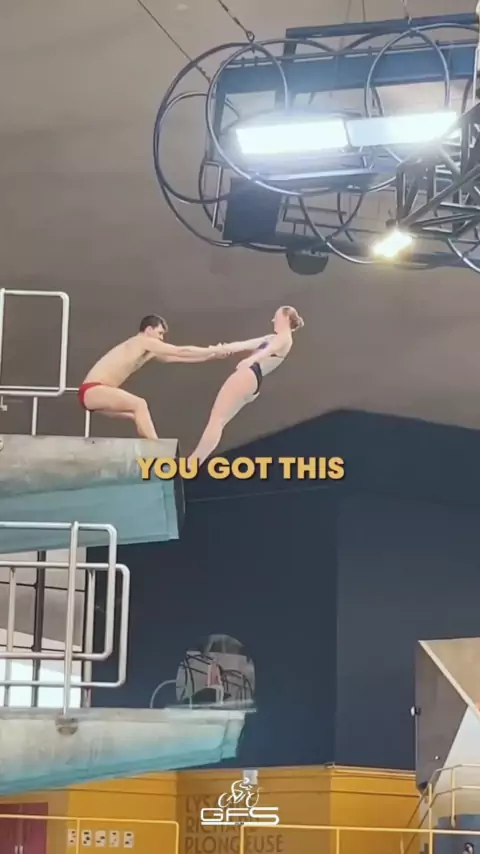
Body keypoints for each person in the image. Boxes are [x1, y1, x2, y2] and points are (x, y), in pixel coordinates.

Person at [187, 305, 304, 468]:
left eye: (276, 317)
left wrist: (251, 360)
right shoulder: (272, 337)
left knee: (217, 419)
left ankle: (192, 463)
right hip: (252, 379)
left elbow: (269, 351)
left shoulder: (285, 338)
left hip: (250, 373)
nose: (273, 320)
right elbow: (243, 345)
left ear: (285, 317)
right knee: (219, 422)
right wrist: (219, 349)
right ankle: (193, 463)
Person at [78, 314, 228, 439]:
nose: (161, 338)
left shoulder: (148, 350)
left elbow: (179, 357)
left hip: (96, 395)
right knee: (140, 404)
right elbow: (180, 350)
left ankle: (150, 450)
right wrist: (211, 350)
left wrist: (213, 356)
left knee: (136, 415)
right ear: (149, 330)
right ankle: (158, 450)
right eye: (160, 333)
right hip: (93, 390)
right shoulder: (141, 341)